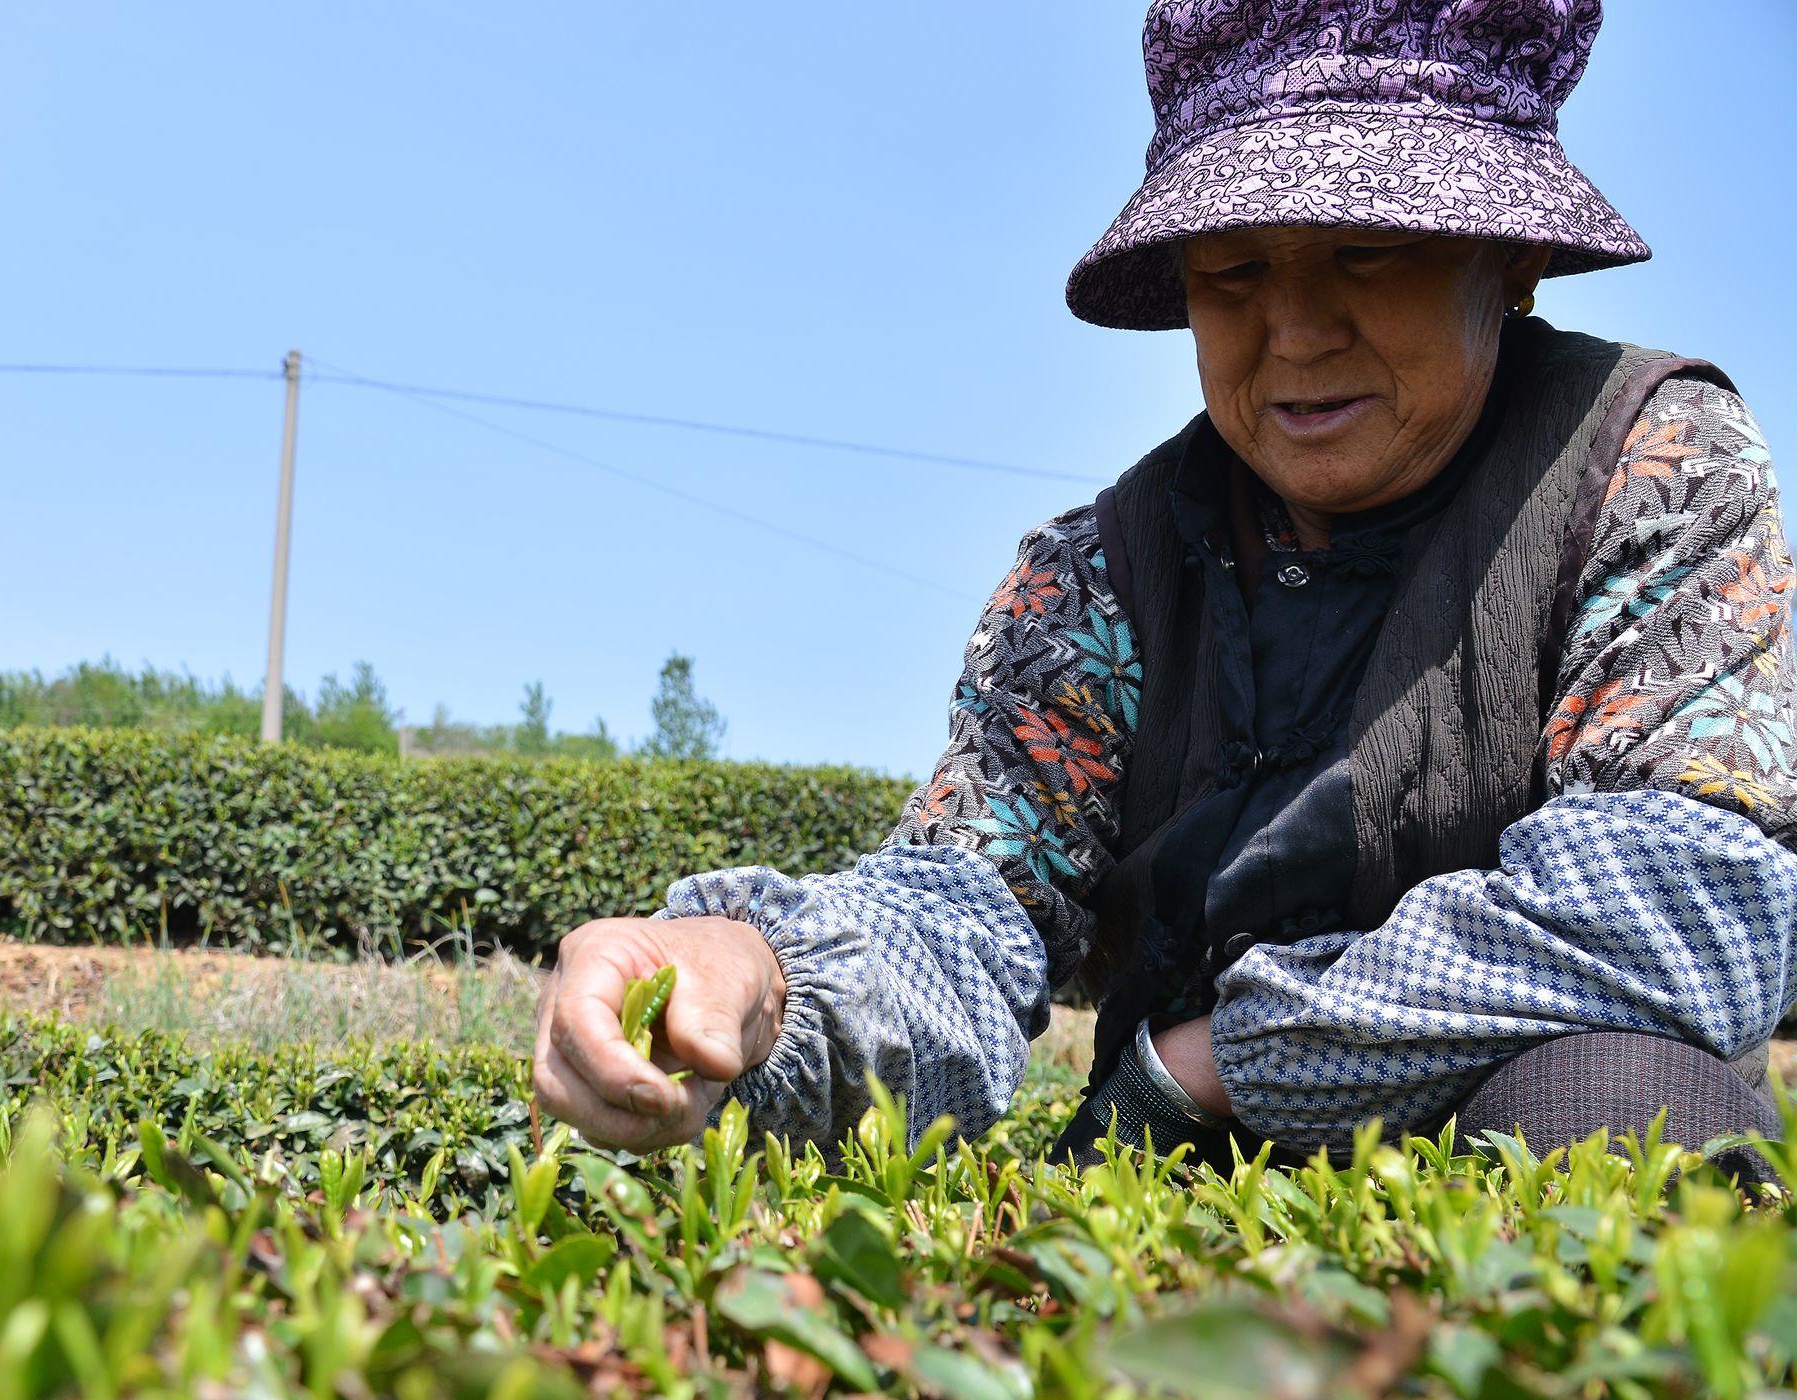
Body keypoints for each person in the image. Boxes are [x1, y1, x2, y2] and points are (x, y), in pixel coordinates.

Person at [531, 0, 1795, 1187]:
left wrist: (1212, 1063)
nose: (1294, 328)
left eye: (1365, 251)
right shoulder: (1103, 572)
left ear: (1507, 259)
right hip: (1154, 1186)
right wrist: (749, 977)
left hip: (1472, 1147)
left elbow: (1681, 914)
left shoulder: (1648, 461)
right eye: (1232, 270)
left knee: (1622, 1107)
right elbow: (964, 907)